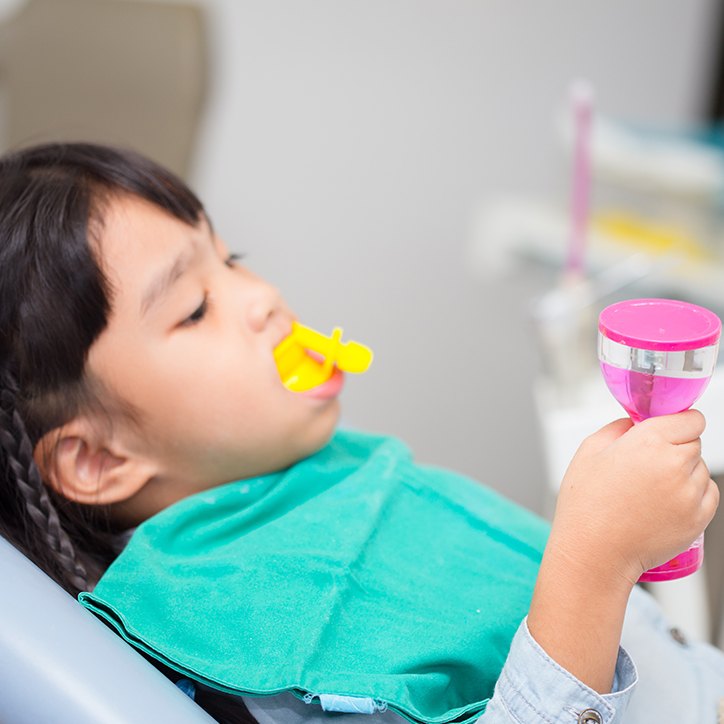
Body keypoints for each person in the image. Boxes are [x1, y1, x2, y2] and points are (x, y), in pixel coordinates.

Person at [0, 142, 722, 724]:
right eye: (194, 308)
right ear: (96, 458)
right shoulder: (244, 635)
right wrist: (594, 564)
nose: (262, 299)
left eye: (233, 260)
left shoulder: (312, 477)